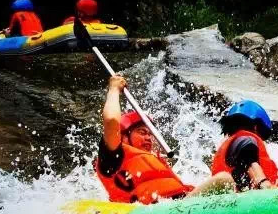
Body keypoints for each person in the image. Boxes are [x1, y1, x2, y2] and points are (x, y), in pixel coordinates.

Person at [94, 74, 233, 204]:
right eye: (142, 132)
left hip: (177, 205)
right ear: (123, 137)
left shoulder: (155, 160)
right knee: (223, 180)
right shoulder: (113, 158)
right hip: (154, 213)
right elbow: (111, 120)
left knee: (228, 180)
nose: (148, 137)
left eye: (150, 134)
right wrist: (113, 89)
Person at [211, 100, 278, 191]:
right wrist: (263, 183)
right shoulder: (246, 138)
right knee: (224, 179)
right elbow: (247, 156)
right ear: (256, 127)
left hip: (229, 196)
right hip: (242, 196)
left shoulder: (229, 146)